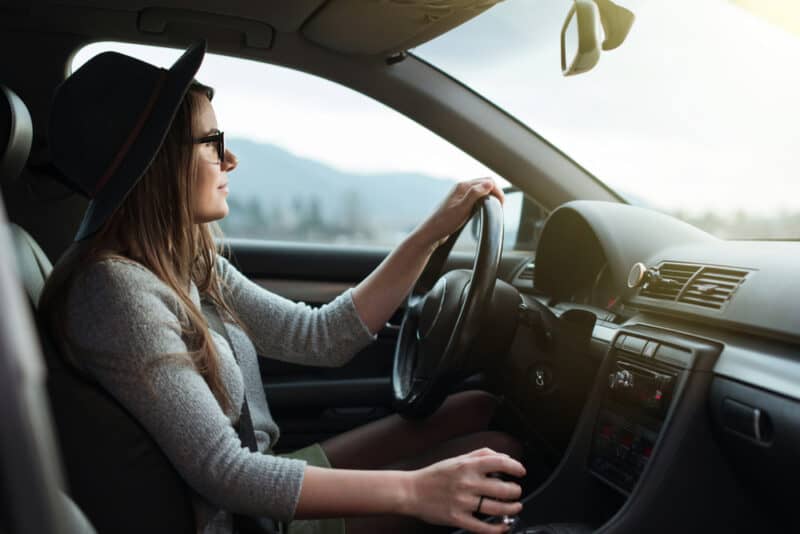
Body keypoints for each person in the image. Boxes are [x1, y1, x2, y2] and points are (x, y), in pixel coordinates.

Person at [39, 41, 525, 534]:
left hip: (257, 489)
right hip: (245, 519)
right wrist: (416, 492)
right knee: (498, 459)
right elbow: (226, 473)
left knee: (475, 408)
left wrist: (431, 233)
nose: (230, 158)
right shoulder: (116, 292)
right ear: (159, 163)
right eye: (211, 141)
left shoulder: (183, 261)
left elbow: (320, 336)